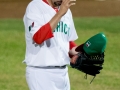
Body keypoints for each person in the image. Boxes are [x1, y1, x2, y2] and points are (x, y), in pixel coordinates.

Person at [23, 0, 79, 90]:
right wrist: (60, 13)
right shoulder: (35, 6)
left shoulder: (66, 10)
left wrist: (81, 51)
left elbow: (66, 41)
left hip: (63, 74)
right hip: (41, 73)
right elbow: (38, 38)